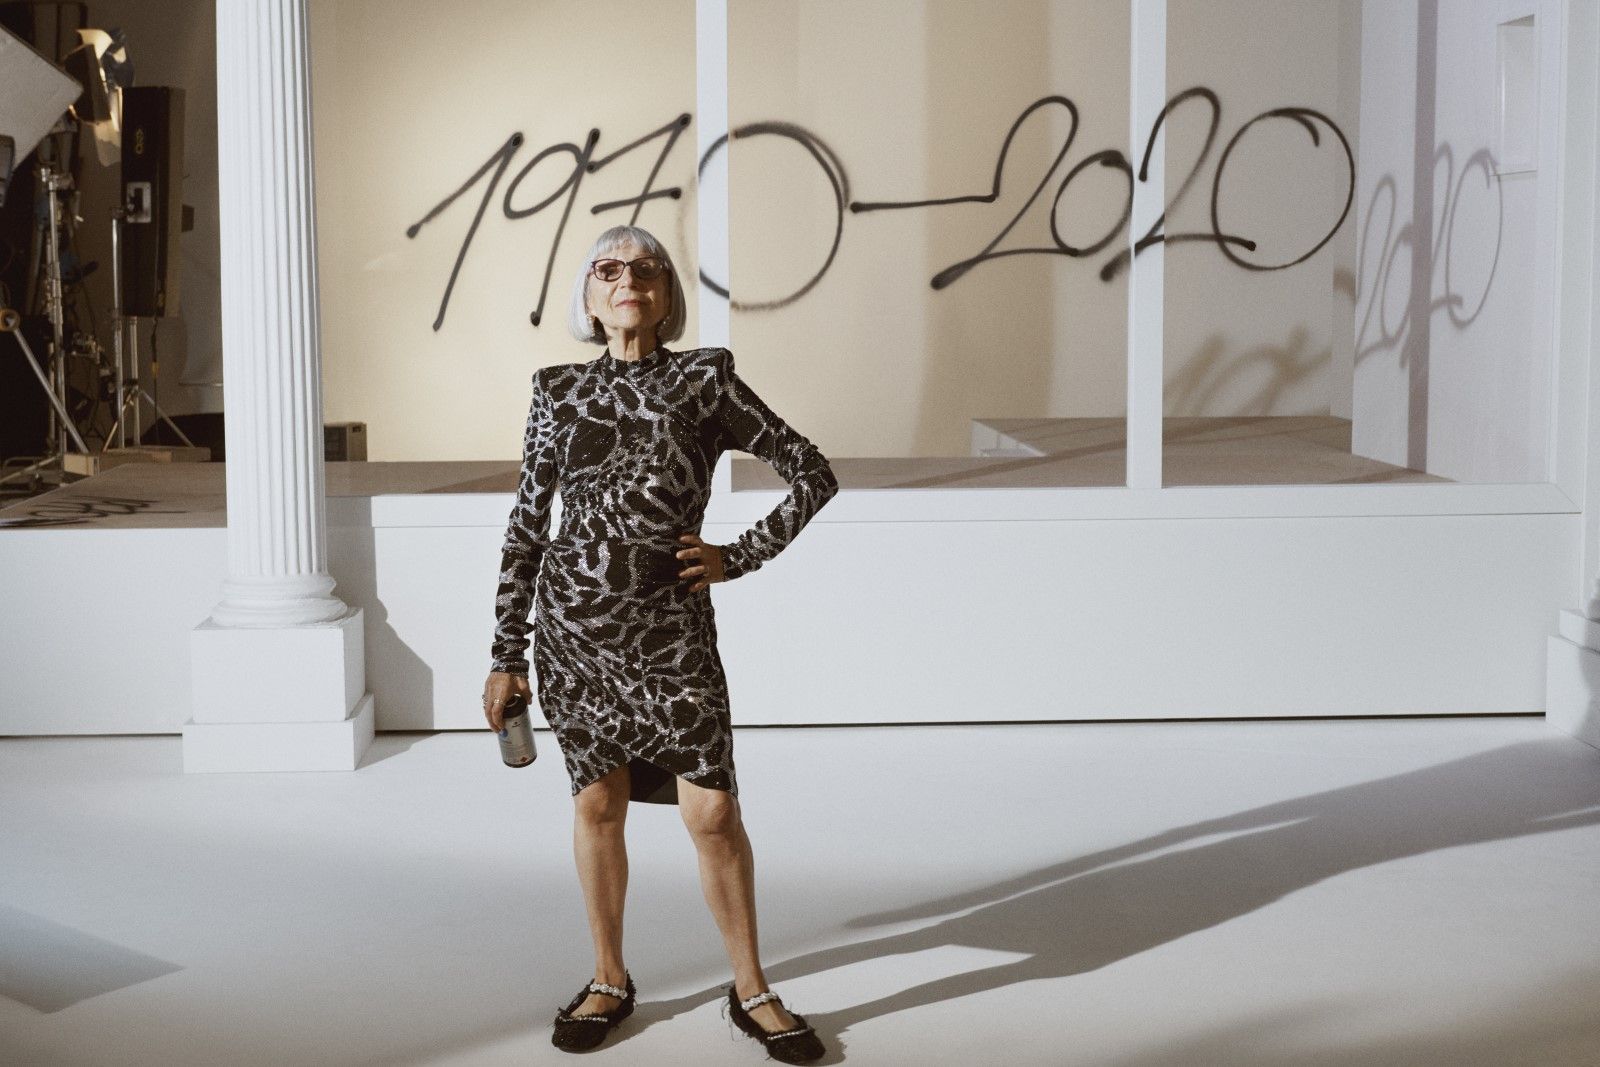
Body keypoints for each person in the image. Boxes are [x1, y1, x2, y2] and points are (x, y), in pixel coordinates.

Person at [481, 224, 837, 1061]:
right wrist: (506, 653)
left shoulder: (704, 379)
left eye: (645, 268)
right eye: (608, 269)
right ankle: (609, 977)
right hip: (574, 636)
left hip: (672, 638)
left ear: (667, 292)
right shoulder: (557, 390)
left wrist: (735, 556)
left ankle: (751, 988)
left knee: (712, 812)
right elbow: (528, 523)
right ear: (588, 295)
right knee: (597, 804)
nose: (627, 280)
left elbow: (812, 471)